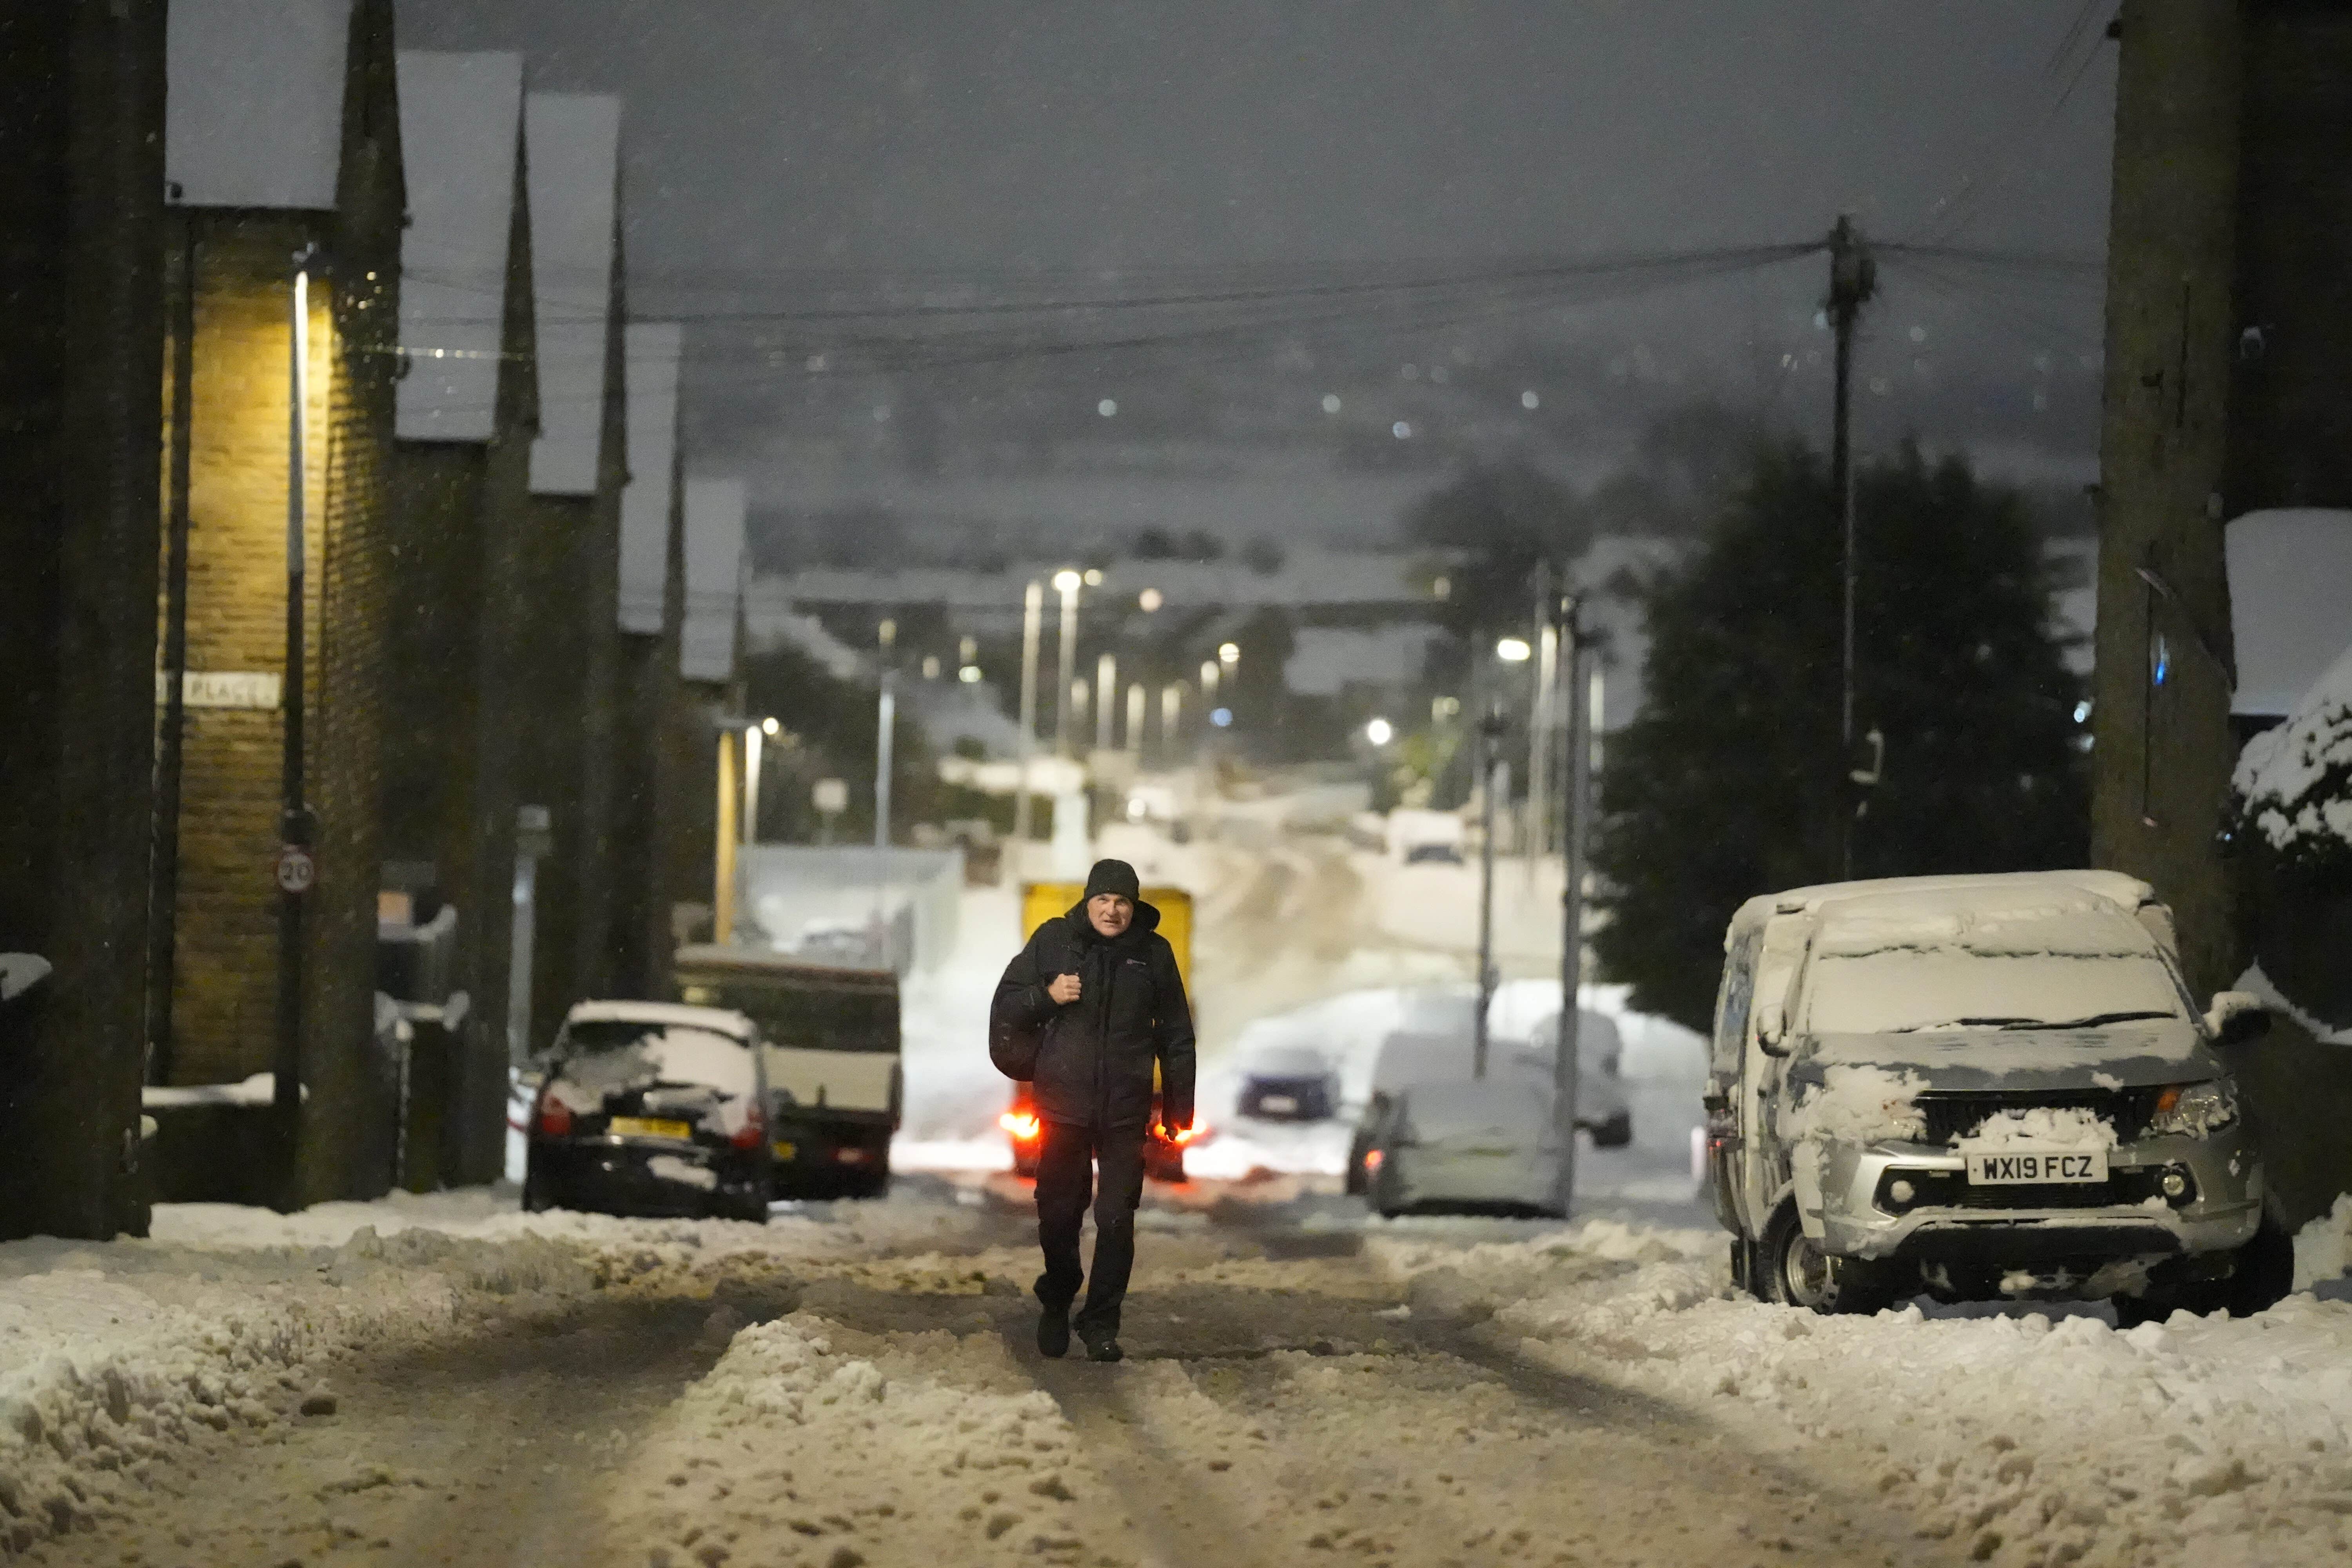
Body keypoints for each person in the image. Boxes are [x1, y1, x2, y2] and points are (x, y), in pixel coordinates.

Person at [991, 858, 1194, 1362]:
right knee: (1059, 1216)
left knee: (1116, 1218)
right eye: (1103, 899)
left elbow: (1176, 1036)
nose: (1112, 909)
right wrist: (1048, 994)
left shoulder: (1154, 954)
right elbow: (1008, 1005)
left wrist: (1178, 1110)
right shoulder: (1054, 941)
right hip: (1063, 1107)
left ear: (1134, 908)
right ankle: (1059, 1296)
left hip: (1126, 1111)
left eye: (1122, 901)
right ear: (1088, 901)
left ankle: (1101, 1323)